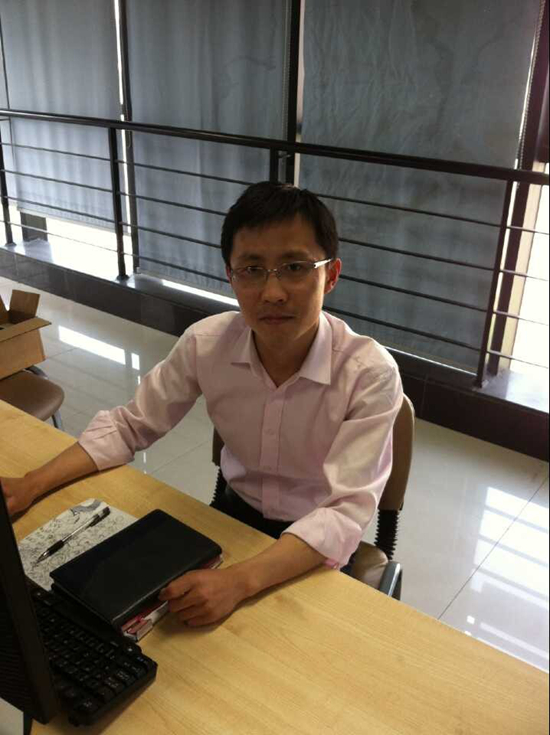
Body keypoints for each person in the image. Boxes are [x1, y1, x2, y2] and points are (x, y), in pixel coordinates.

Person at [1, 181, 403, 627]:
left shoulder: (369, 374)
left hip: (315, 545)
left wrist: (239, 582)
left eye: (294, 267)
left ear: (330, 275)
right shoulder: (207, 343)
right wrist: (30, 485)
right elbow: (130, 426)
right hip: (232, 519)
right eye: (252, 269)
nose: (272, 292)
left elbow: (344, 513)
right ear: (231, 276)